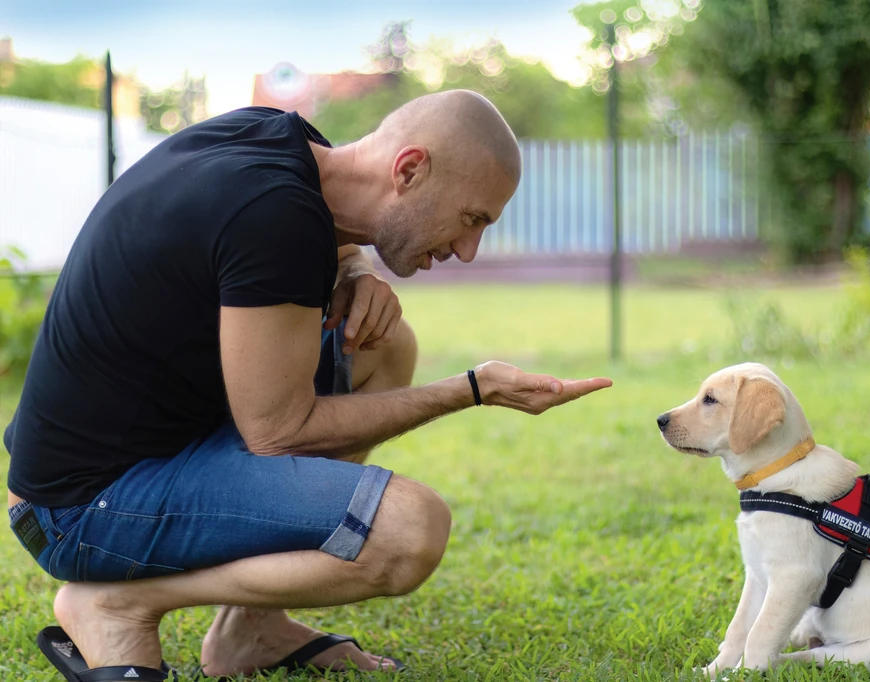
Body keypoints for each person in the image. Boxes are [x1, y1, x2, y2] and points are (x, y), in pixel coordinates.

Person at [5, 89, 612, 680]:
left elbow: (317, 232)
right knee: (409, 530)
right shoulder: (275, 216)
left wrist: (355, 267)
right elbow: (278, 432)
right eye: (471, 218)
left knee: (383, 345)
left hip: (138, 456)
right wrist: (470, 388)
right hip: (81, 506)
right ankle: (118, 604)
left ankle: (251, 630)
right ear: (408, 169)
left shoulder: (280, 140)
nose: (468, 249)